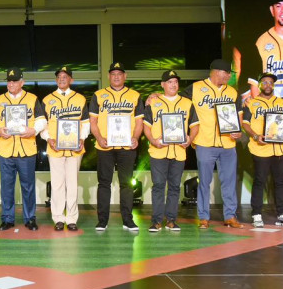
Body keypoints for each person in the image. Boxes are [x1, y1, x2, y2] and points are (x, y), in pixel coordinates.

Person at [185, 59, 243, 229]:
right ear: (216, 72)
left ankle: (230, 216)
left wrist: (238, 131)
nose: (228, 76)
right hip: (204, 142)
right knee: (204, 181)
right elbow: (176, 102)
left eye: (229, 74)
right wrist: (156, 96)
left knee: (229, 181)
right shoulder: (196, 88)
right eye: (226, 73)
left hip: (228, 143)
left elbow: (238, 115)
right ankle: (203, 216)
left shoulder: (232, 92)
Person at [0, 68, 46, 231]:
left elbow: (42, 120)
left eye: (14, 81)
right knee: (6, 186)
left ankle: (30, 218)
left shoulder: (32, 99)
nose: (11, 84)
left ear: (22, 82)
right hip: (6, 149)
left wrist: (33, 130)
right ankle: (7, 218)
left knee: (28, 186)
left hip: (26, 149)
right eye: (9, 81)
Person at [89, 62, 144, 232]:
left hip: (126, 147)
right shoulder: (98, 95)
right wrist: (99, 138)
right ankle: (102, 220)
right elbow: (93, 122)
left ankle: (128, 220)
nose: (116, 76)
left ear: (125, 76)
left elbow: (139, 122)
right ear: (108, 76)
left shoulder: (135, 95)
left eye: (119, 73)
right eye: (113, 74)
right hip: (105, 146)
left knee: (126, 184)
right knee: (104, 183)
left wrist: (135, 137)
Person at [143, 70, 194, 232]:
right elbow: (146, 127)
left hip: (178, 152)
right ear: (162, 85)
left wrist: (190, 139)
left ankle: (171, 220)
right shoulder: (154, 103)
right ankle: (156, 221)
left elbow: (195, 125)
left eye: (176, 82)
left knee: (174, 187)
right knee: (158, 186)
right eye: (170, 82)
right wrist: (153, 141)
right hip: (158, 152)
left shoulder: (187, 103)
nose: (173, 85)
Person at [242, 73, 283, 227]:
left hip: (280, 149)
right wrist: (255, 135)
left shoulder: (282, 103)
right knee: (259, 181)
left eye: (270, 82)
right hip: (261, 148)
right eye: (264, 82)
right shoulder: (251, 103)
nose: (267, 85)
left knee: (280, 182)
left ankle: (282, 214)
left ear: (274, 85)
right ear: (259, 85)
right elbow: (245, 124)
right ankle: (257, 214)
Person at [41, 66, 89, 231]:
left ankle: (72, 218)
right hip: (55, 148)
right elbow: (42, 124)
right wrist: (48, 138)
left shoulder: (80, 99)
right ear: (56, 80)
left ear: (71, 80)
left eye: (65, 76)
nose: (62, 79)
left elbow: (86, 123)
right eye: (59, 77)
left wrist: (82, 138)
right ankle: (58, 218)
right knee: (57, 184)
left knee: (72, 183)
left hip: (75, 148)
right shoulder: (47, 99)